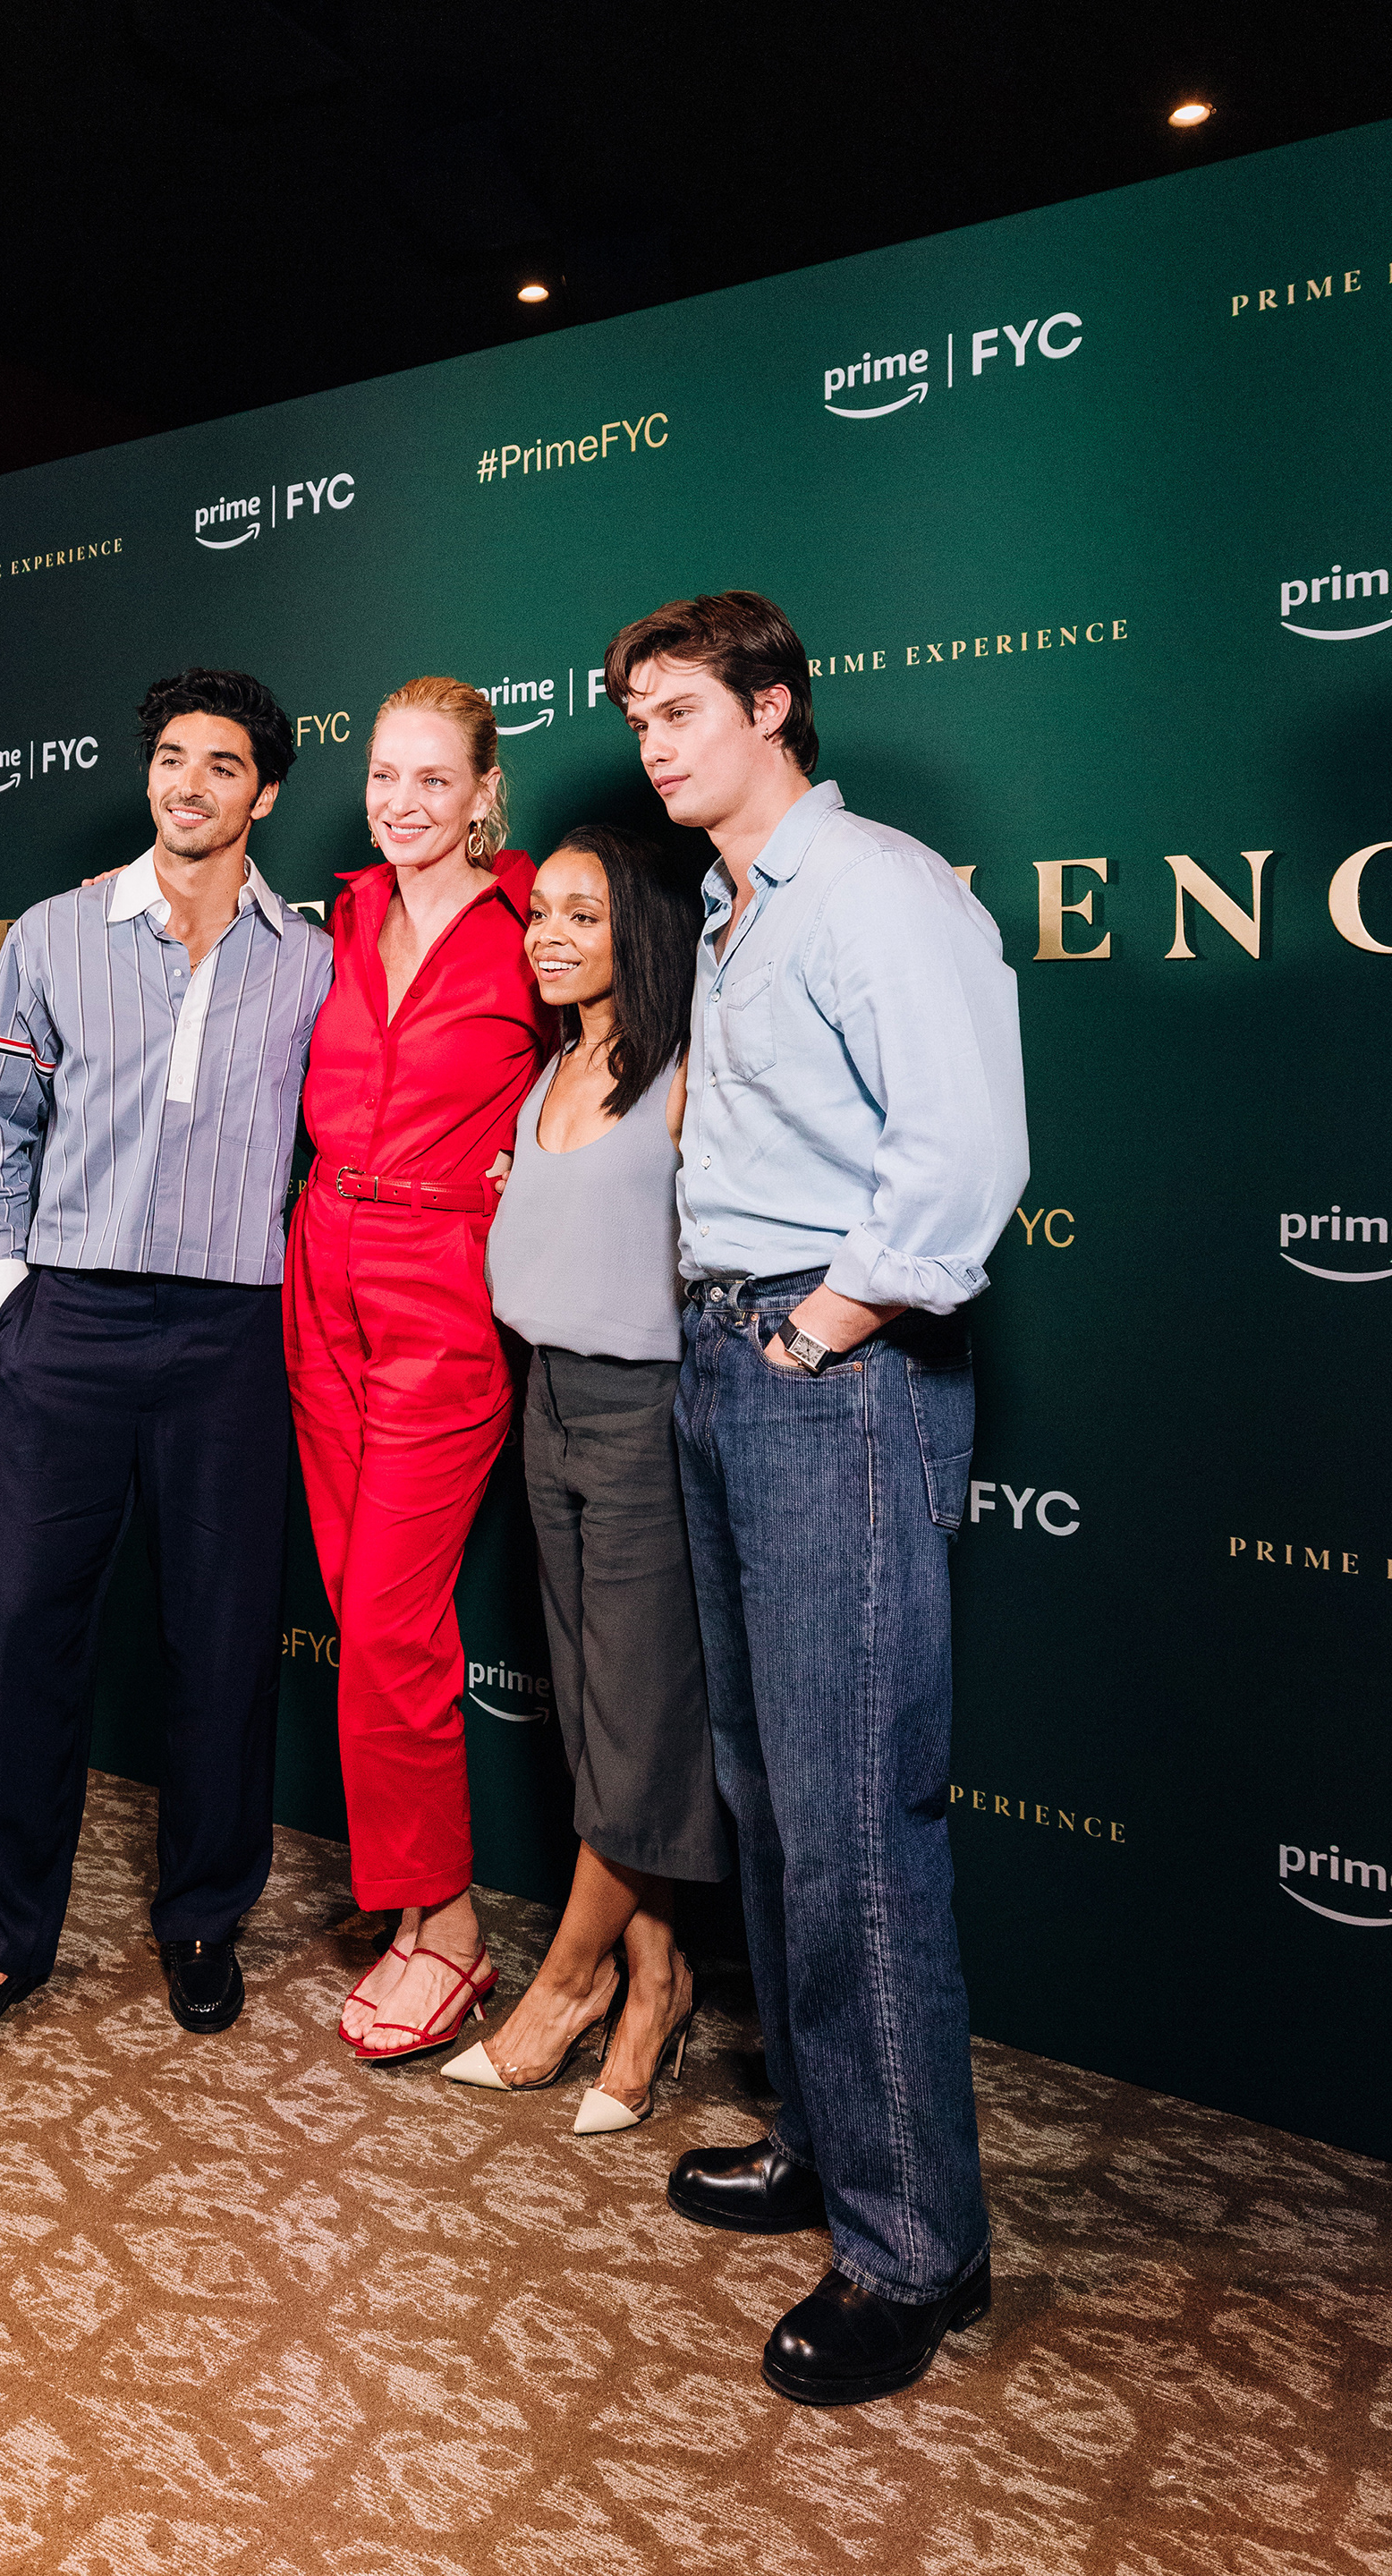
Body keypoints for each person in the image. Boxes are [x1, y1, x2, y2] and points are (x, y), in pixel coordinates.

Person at [603, 592, 1028, 2405]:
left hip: (826, 1371)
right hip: (733, 1360)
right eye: (638, 719)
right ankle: (831, 2142)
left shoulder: (873, 888)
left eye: (683, 710)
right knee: (774, 1800)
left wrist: (825, 1326)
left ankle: (915, 2249)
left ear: (773, 705)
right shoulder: (734, 907)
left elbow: (966, 1150)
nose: (653, 744)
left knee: (855, 1818)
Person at [0, 667, 332, 2079]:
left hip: (233, 1336)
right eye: (171, 758)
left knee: (223, 1642)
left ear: (264, 793)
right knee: (29, 1633)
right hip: (73, 1324)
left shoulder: (309, 959)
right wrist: (12, 1301)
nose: (188, 784)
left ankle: (204, 1920)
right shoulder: (53, 934)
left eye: (223, 765)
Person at [284, 677, 556, 2064]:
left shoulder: (540, 922)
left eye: (434, 779)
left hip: (447, 1287)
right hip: (318, 1264)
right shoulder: (336, 918)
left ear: (484, 791)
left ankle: (447, 1924)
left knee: (391, 1621)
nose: (402, 802)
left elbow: (625, 1073)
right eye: (385, 775)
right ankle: (414, 1902)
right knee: (358, 1604)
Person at [443, 823, 729, 2131]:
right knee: (596, 1718)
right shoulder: (551, 1069)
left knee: (638, 1718)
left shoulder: (685, 1072)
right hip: (545, 1403)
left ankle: (565, 1987)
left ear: (640, 932)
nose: (548, 936)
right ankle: (656, 1976)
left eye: (582, 915)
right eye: (539, 913)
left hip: (645, 1417)